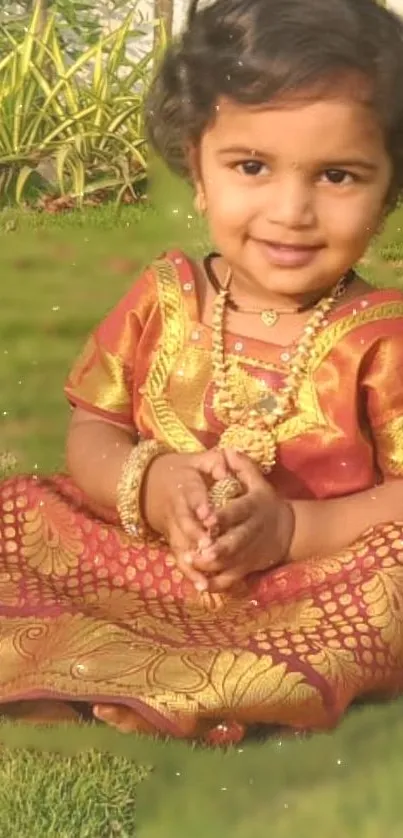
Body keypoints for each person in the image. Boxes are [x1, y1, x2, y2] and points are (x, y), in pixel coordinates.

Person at [2, 0, 403, 745]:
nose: (290, 210)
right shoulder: (164, 296)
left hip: (311, 579)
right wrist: (152, 487)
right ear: (196, 168)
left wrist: (293, 527)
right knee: (21, 510)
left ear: (386, 194)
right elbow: (94, 429)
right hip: (146, 556)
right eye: (251, 167)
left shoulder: (384, 338)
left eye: (338, 176)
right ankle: (119, 668)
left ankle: (198, 683)